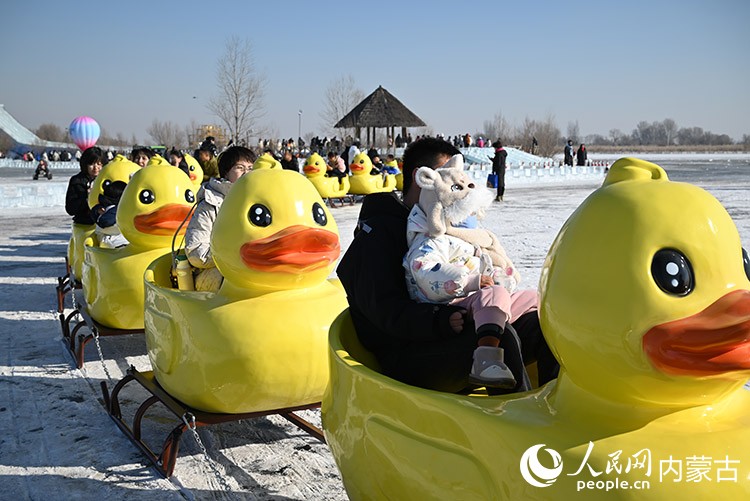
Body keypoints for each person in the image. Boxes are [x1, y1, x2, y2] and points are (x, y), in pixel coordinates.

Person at [337, 137, 559, 393]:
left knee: (542, 324)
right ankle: (517, 425)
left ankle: (558, 409)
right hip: (407, 355)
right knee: (499, 338)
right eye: (449, 178)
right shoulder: (378, 235)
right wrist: (438, 320)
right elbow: (383, 309)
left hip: (451, 330)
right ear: (424, 179)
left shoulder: (446, 229)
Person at [404, 157, 536, 388]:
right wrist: (470, 281)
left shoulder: (467, 241)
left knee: (533, 298)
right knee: (494, 295)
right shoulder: (432, 240)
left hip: (480, 301)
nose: (471, 220)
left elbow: (489, 271)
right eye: (466, 215)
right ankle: (486, 359)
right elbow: (424, 270)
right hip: (452, 304)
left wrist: (498, 275)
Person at [184, 146, 256, 291]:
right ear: (226, 172)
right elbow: (196, 251)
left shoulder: (255, 201)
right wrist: (235, 255)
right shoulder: (210, 204)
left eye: (250, 168)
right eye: (240, 168)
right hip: (214, 274)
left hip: (248, 269)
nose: (246, 173)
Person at [65, 146, 105, 225]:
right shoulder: (77, 181)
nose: (95, 168)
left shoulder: (105, 181)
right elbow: (70, 209)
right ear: (85, 164)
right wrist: (87, 198)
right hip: (83, 224)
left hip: (103, 224)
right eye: (92, 164)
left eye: (98, 164)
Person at [90, 180, 128, 249]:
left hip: (114, 239)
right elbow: (106, 221)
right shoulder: (115, 209)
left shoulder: (102, 207)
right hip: (114, 242)